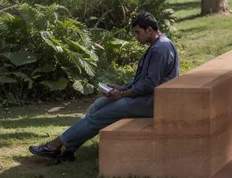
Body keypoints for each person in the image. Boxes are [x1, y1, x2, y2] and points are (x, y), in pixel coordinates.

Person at [29, 12, 178, 163]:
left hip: (153, 103)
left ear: (149, 30)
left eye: (138, 32)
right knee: (97, 105)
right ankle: (70, 149)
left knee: (100, 116)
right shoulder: (157, 45)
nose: (136, 37)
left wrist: (122, 94)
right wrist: (121, 88)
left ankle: (54, 146)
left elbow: (150, 84)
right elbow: (143, 80)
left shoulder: (161, 48)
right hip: (144, 97)